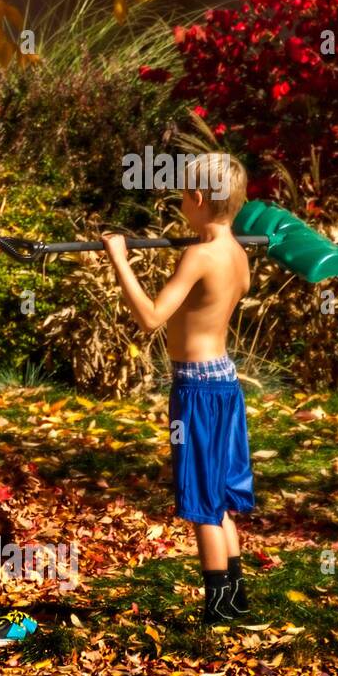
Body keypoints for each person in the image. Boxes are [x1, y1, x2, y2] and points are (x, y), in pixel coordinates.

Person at [101, 153, 254, 624]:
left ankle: (218, 611)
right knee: (220, 497)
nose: (181, 203)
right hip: (225, 382)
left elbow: (150, 318)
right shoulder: (237, 253)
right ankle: (236, 602)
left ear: (200, 199)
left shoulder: (200, 254)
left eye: (184, 196)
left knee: (204, 504)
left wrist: (119, 260)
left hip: (197, 392)